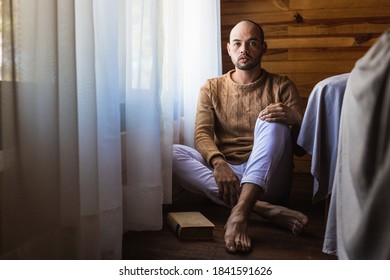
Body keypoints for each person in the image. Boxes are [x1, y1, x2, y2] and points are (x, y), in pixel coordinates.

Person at [172, 20, 308, 254]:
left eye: (252, 43)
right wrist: (218, 162)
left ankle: (240, 213)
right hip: (228, 176)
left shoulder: (281, 85)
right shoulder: (211, 87)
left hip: (270, 177)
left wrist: (296, 119)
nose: (243, 49)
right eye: (237, 43)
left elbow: (300, 150)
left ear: (263, 48)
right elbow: (202, 133)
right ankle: (264, 209)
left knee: (272, 119)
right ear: (229, 49)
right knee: (171, 152)